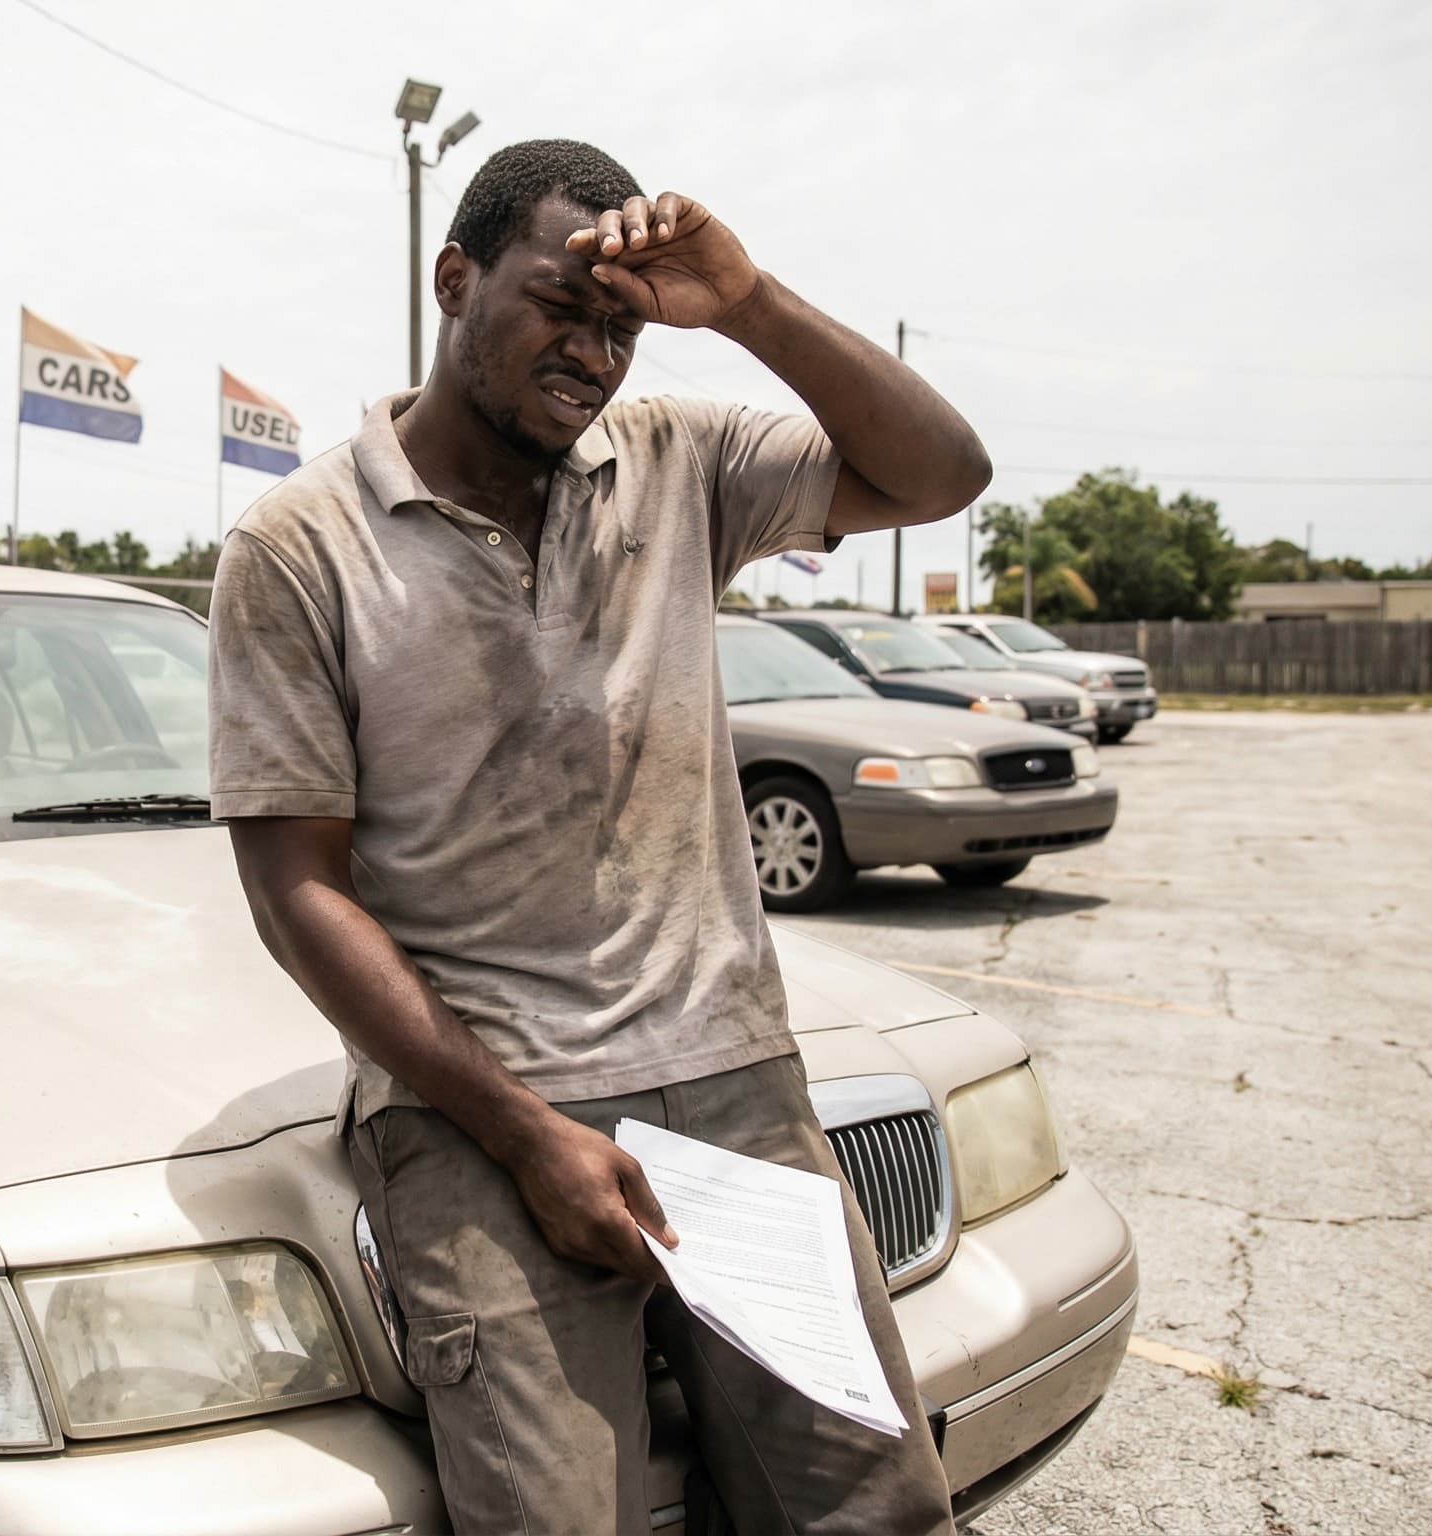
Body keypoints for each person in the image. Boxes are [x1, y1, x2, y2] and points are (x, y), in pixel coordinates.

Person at [208, 138, 987, 1535]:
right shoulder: (300, 546)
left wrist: (747, 303)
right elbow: (297, 891)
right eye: (560, 306)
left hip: (730, 1074)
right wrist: (526, 1137)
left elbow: (942, 475)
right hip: (482, 1105)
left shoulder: (679, 463)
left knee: (873, 1513)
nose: (593, 354)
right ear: (455, 279)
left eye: (622, 326)